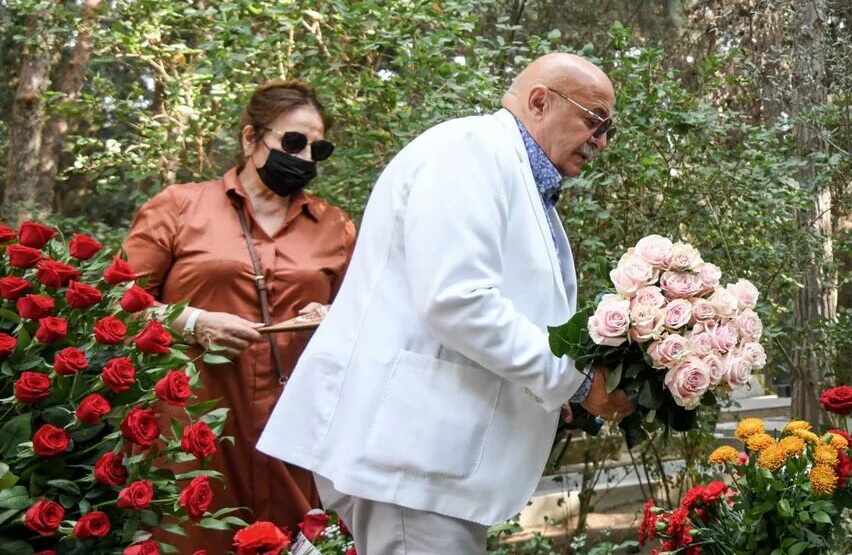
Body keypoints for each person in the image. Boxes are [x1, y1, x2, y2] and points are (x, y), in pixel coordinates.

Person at [258, 53, 633, 553]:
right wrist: (578, 382)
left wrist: (551, 397)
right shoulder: (470, 151)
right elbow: (458, 302)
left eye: (609, 129)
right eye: (594, 121)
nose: (602, 141)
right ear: (540, 102)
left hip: (430, 459)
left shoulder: (509, 169)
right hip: (411, 459)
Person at [122, 79, 357, 548]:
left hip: (295, 431)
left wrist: (334, 315)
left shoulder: (336, 226)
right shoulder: (179, 206)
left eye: (318, 148)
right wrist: (192, 322)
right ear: (251, 139)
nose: (306, 158)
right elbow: (115, 303)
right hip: (192, 429)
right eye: (293, 142)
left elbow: (365, 317)